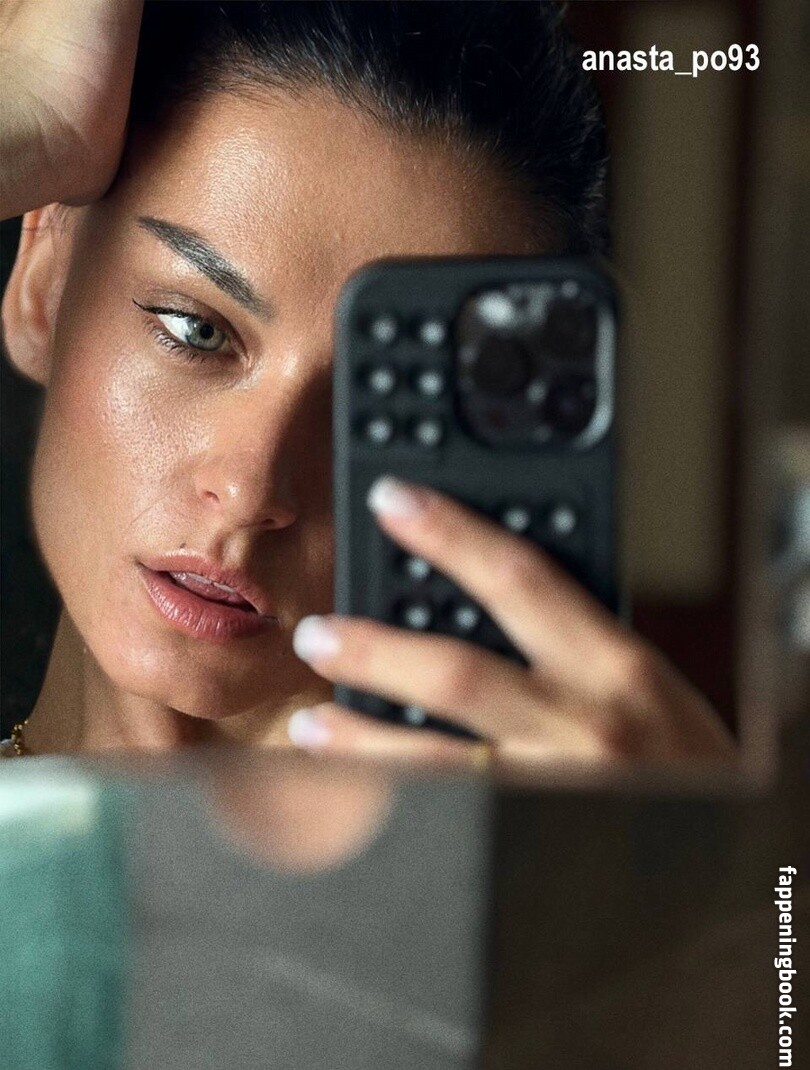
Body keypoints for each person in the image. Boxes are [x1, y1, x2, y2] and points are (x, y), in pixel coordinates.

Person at [0, 0, 733, 763]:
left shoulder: (580, 837)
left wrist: (686, 842)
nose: (252, 490)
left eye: (379, 398)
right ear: (42, 282)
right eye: (196, 331)